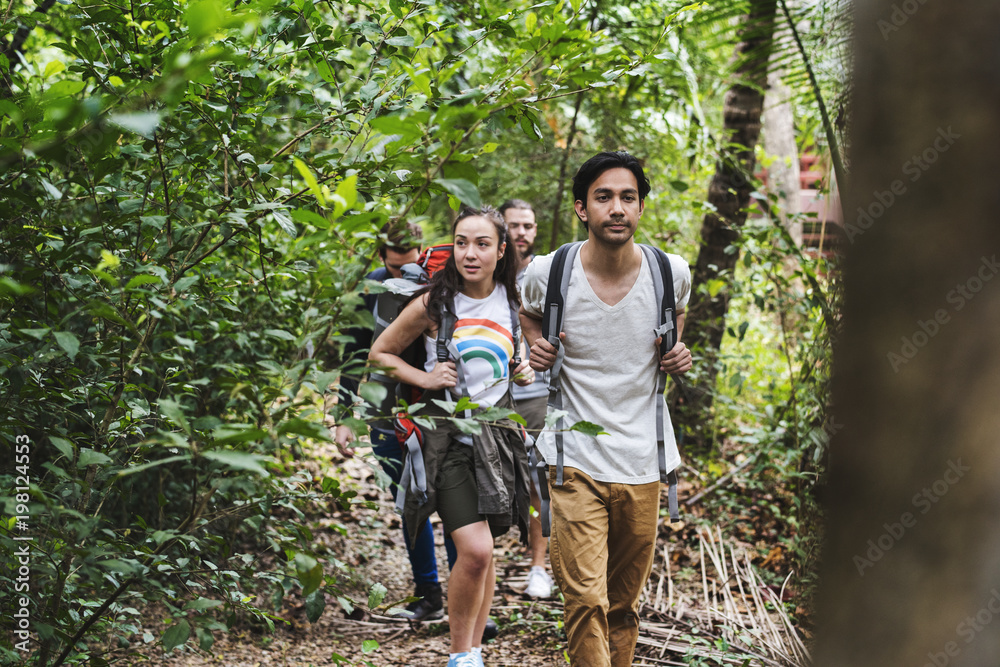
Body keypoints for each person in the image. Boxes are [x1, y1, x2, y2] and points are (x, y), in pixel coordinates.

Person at [519, 152, 693, 666]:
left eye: (627, 197)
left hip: (644, 461)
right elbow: (528, 313)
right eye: (603, 197)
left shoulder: (669, 272)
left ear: (640, 207)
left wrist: (674, 348)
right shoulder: (550, 273)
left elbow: (677, 313)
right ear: (581, 208)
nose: (616, 208)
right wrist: (538, 345)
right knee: (586, 600)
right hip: (573, 457)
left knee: (623, 605)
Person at [370, 206, 534, 667]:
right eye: (462, 242)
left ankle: (474, 649)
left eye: (482, 244)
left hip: (498, 439)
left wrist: (521, 368)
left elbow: (520, 359)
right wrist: (423, 379)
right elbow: (380, 354)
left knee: (484, 552)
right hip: (447, 440)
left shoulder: (512, 299)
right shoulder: (433, 304)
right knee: (478, 550)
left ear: (502, 250)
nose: (470, 253)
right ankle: (461, 656)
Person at [334, 219, 454, 622]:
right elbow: (353, 353)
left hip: (439, 412)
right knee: (411, 506)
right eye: (397, 269)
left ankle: (467, 600)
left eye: (413, 264)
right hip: (386, 413)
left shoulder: (439, 280)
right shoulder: (369, 290)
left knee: (456, 507)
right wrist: (343, 416)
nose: (407, 275)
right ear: (381, 257)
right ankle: (429, 595)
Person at [498, 198, 553, 600]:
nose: (521, 232)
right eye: (514, 225)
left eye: (528, 226)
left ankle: (539, 566)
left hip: (535, 393)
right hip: (486, 394)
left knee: (537, 480)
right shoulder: (483, 271)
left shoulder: (544, 275)